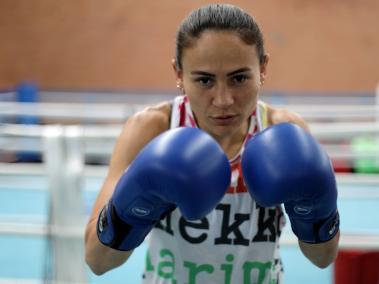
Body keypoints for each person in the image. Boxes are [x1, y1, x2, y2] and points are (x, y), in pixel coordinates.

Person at [85, 4, 340, 283]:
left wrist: (315, 214)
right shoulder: (151, 129)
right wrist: (132, 207)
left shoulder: (284, 130)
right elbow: (97, 261)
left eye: (239, 78)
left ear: (263, 68)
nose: (223, 100)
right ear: (179, 74)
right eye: (205, 80)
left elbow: (322, 257)